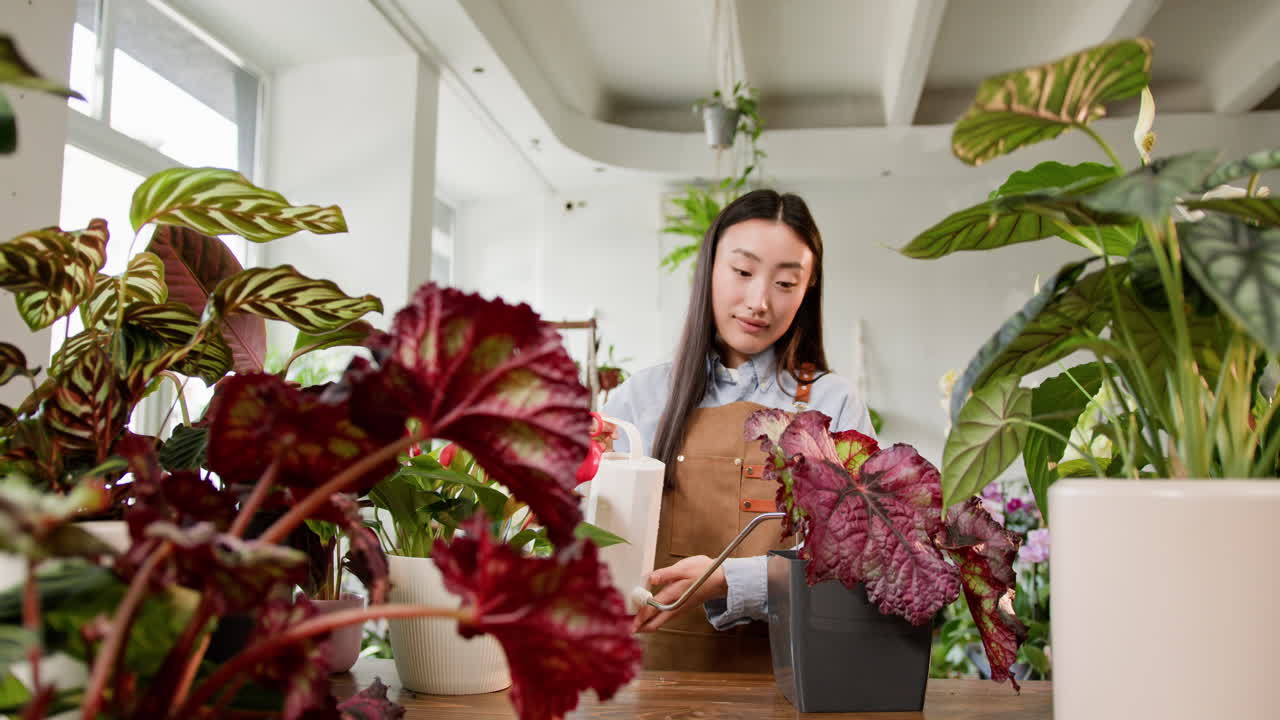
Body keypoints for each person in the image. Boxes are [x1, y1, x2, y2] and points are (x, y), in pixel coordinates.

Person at [602, 188, 875, 673]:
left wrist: (733, 578)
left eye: (786, 282)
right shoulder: (640, 399)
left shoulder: (833, 405)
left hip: (791, 682)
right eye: (743, 272)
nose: (759, 301)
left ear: (809, 289)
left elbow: (861, 556)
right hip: (651, 682)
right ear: (709, 267)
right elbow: (595, 534)